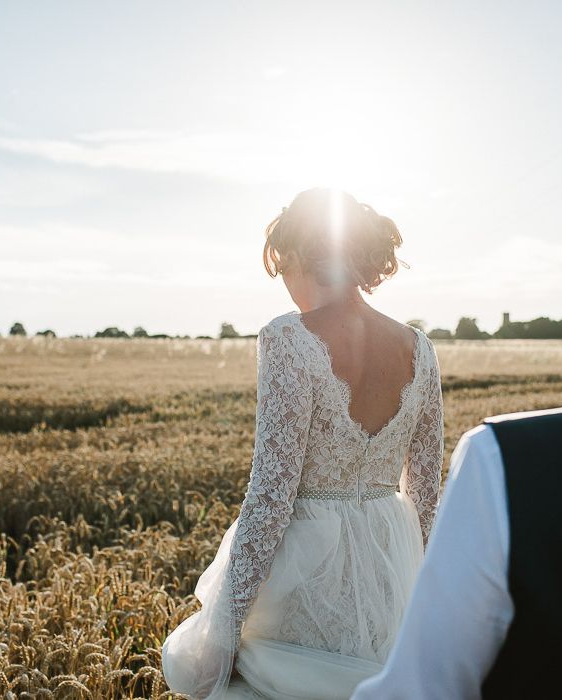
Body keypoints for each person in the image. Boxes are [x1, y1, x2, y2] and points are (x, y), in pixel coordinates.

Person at [161, 187, 445, 699]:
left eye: (283, 266)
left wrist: (222, 631)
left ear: (298, 256)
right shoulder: (419, 349)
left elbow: (271, 495)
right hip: (390, 566)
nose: (286, 284)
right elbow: (425, 493)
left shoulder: (288, 339)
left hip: (306, 573)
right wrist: (410, 590)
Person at [350, 406, 562, 700]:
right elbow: (423, 494)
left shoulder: (502, 455)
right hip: (391, 534)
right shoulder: (422, 358)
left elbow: (422, 688)